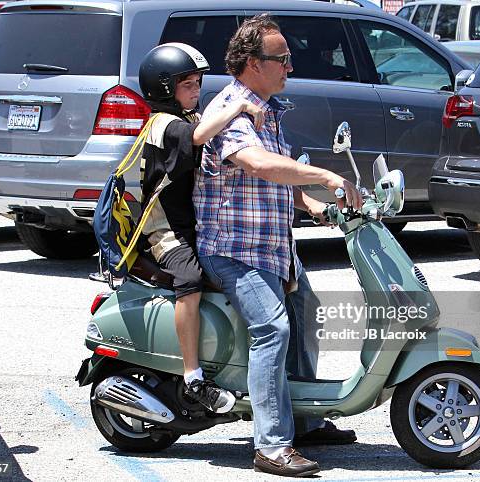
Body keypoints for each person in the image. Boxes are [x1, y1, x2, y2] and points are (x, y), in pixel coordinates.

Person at [193, 15, 362, 477]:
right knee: (273, 329)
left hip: (272, 245)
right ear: (252, 63)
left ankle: (304, 418)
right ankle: (270, 444)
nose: (290, 66)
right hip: (234, 248)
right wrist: (327, 176)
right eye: (282, 59)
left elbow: (278, 175)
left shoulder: (266, 108)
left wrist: (313, 205)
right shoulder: (233, 109)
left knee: (305, 308)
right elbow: (258, 164)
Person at [138, 43, 265, 414]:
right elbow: (196, 138)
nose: (196, 90)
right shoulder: (164, 124)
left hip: (193, 223)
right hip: (165, 229)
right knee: (190, 280)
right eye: (187, 84)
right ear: (163, 89)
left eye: (198, 83)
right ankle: (193, 376)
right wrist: (238, 105)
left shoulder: (189, 116)